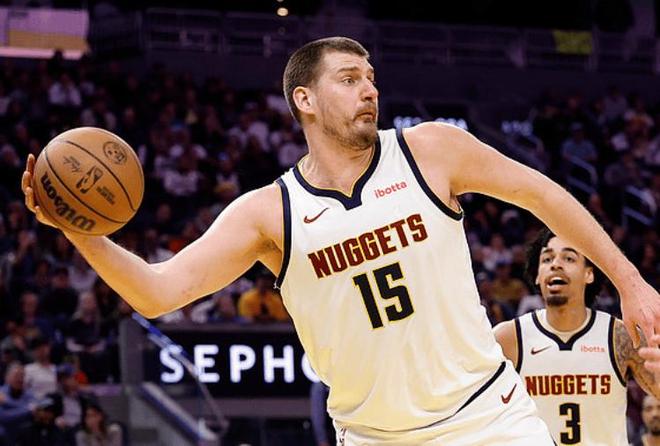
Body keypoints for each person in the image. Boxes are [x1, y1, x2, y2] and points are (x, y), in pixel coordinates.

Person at [22, 37, 659, 444]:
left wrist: (629, 281)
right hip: (374, 437)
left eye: (371, 77)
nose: (370, 89)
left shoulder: (431, 150)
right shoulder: (269, 212)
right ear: (304, 98)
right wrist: (79, 230)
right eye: (350, 78)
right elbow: (160, 292)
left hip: (489, 419)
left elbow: (547, 197)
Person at [494, 228, 660, 445]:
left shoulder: (619, 336)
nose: (555, 264)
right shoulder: (509, 338)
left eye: (569, 258)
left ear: (589, 274)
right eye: (547, 259)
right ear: (537, 275)